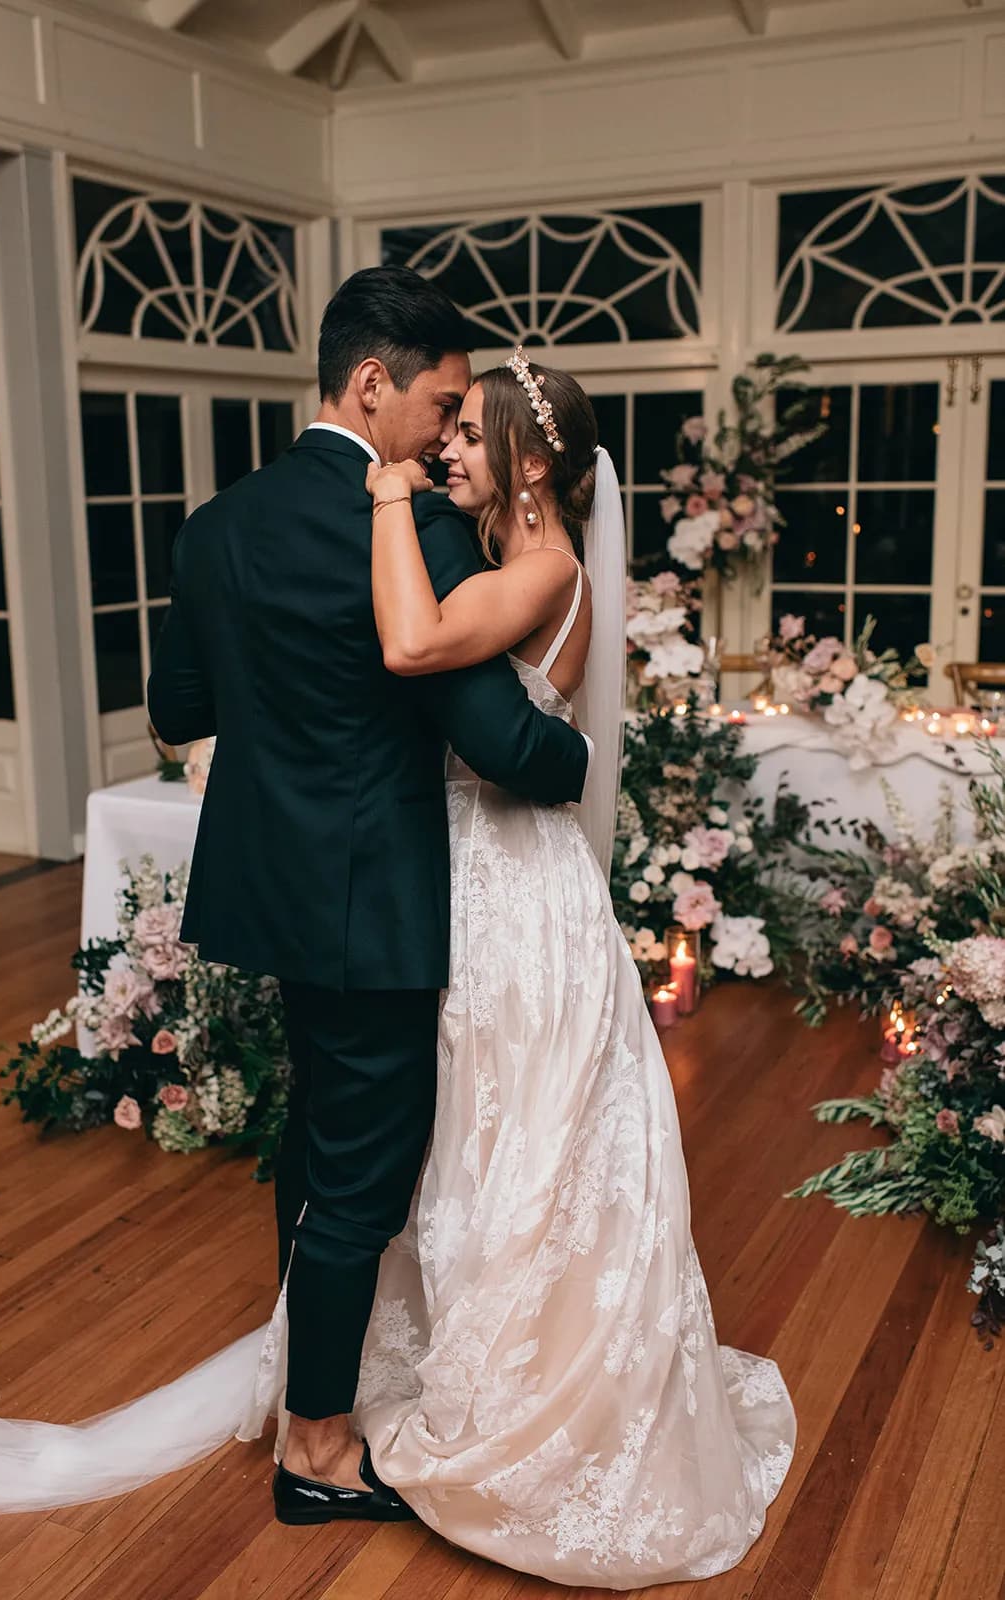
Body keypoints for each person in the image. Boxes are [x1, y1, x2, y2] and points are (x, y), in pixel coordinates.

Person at [0, 273, 589, 1521]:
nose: (448, 432)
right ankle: (319, 1450)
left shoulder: (216, 525)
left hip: (276, 894)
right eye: (442, 402)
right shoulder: (412, 531)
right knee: (365, 1168)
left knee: (316, 1137)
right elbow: (499, 738)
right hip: (377, 899)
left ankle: (310, 1358)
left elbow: (181, 708)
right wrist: (575, 758)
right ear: (370, 385)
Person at [285, 350, 793, 1585]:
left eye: (468, 432)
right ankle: (475, 1352)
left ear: (526, 458)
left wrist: (387, 497)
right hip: (479, 867)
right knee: (481, 1134)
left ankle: (522, 1406)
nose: (445, 445)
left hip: (504, 879)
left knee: (522, 1137)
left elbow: (417, 651)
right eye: (442, 426)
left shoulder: (546, 567)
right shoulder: (517, 558)